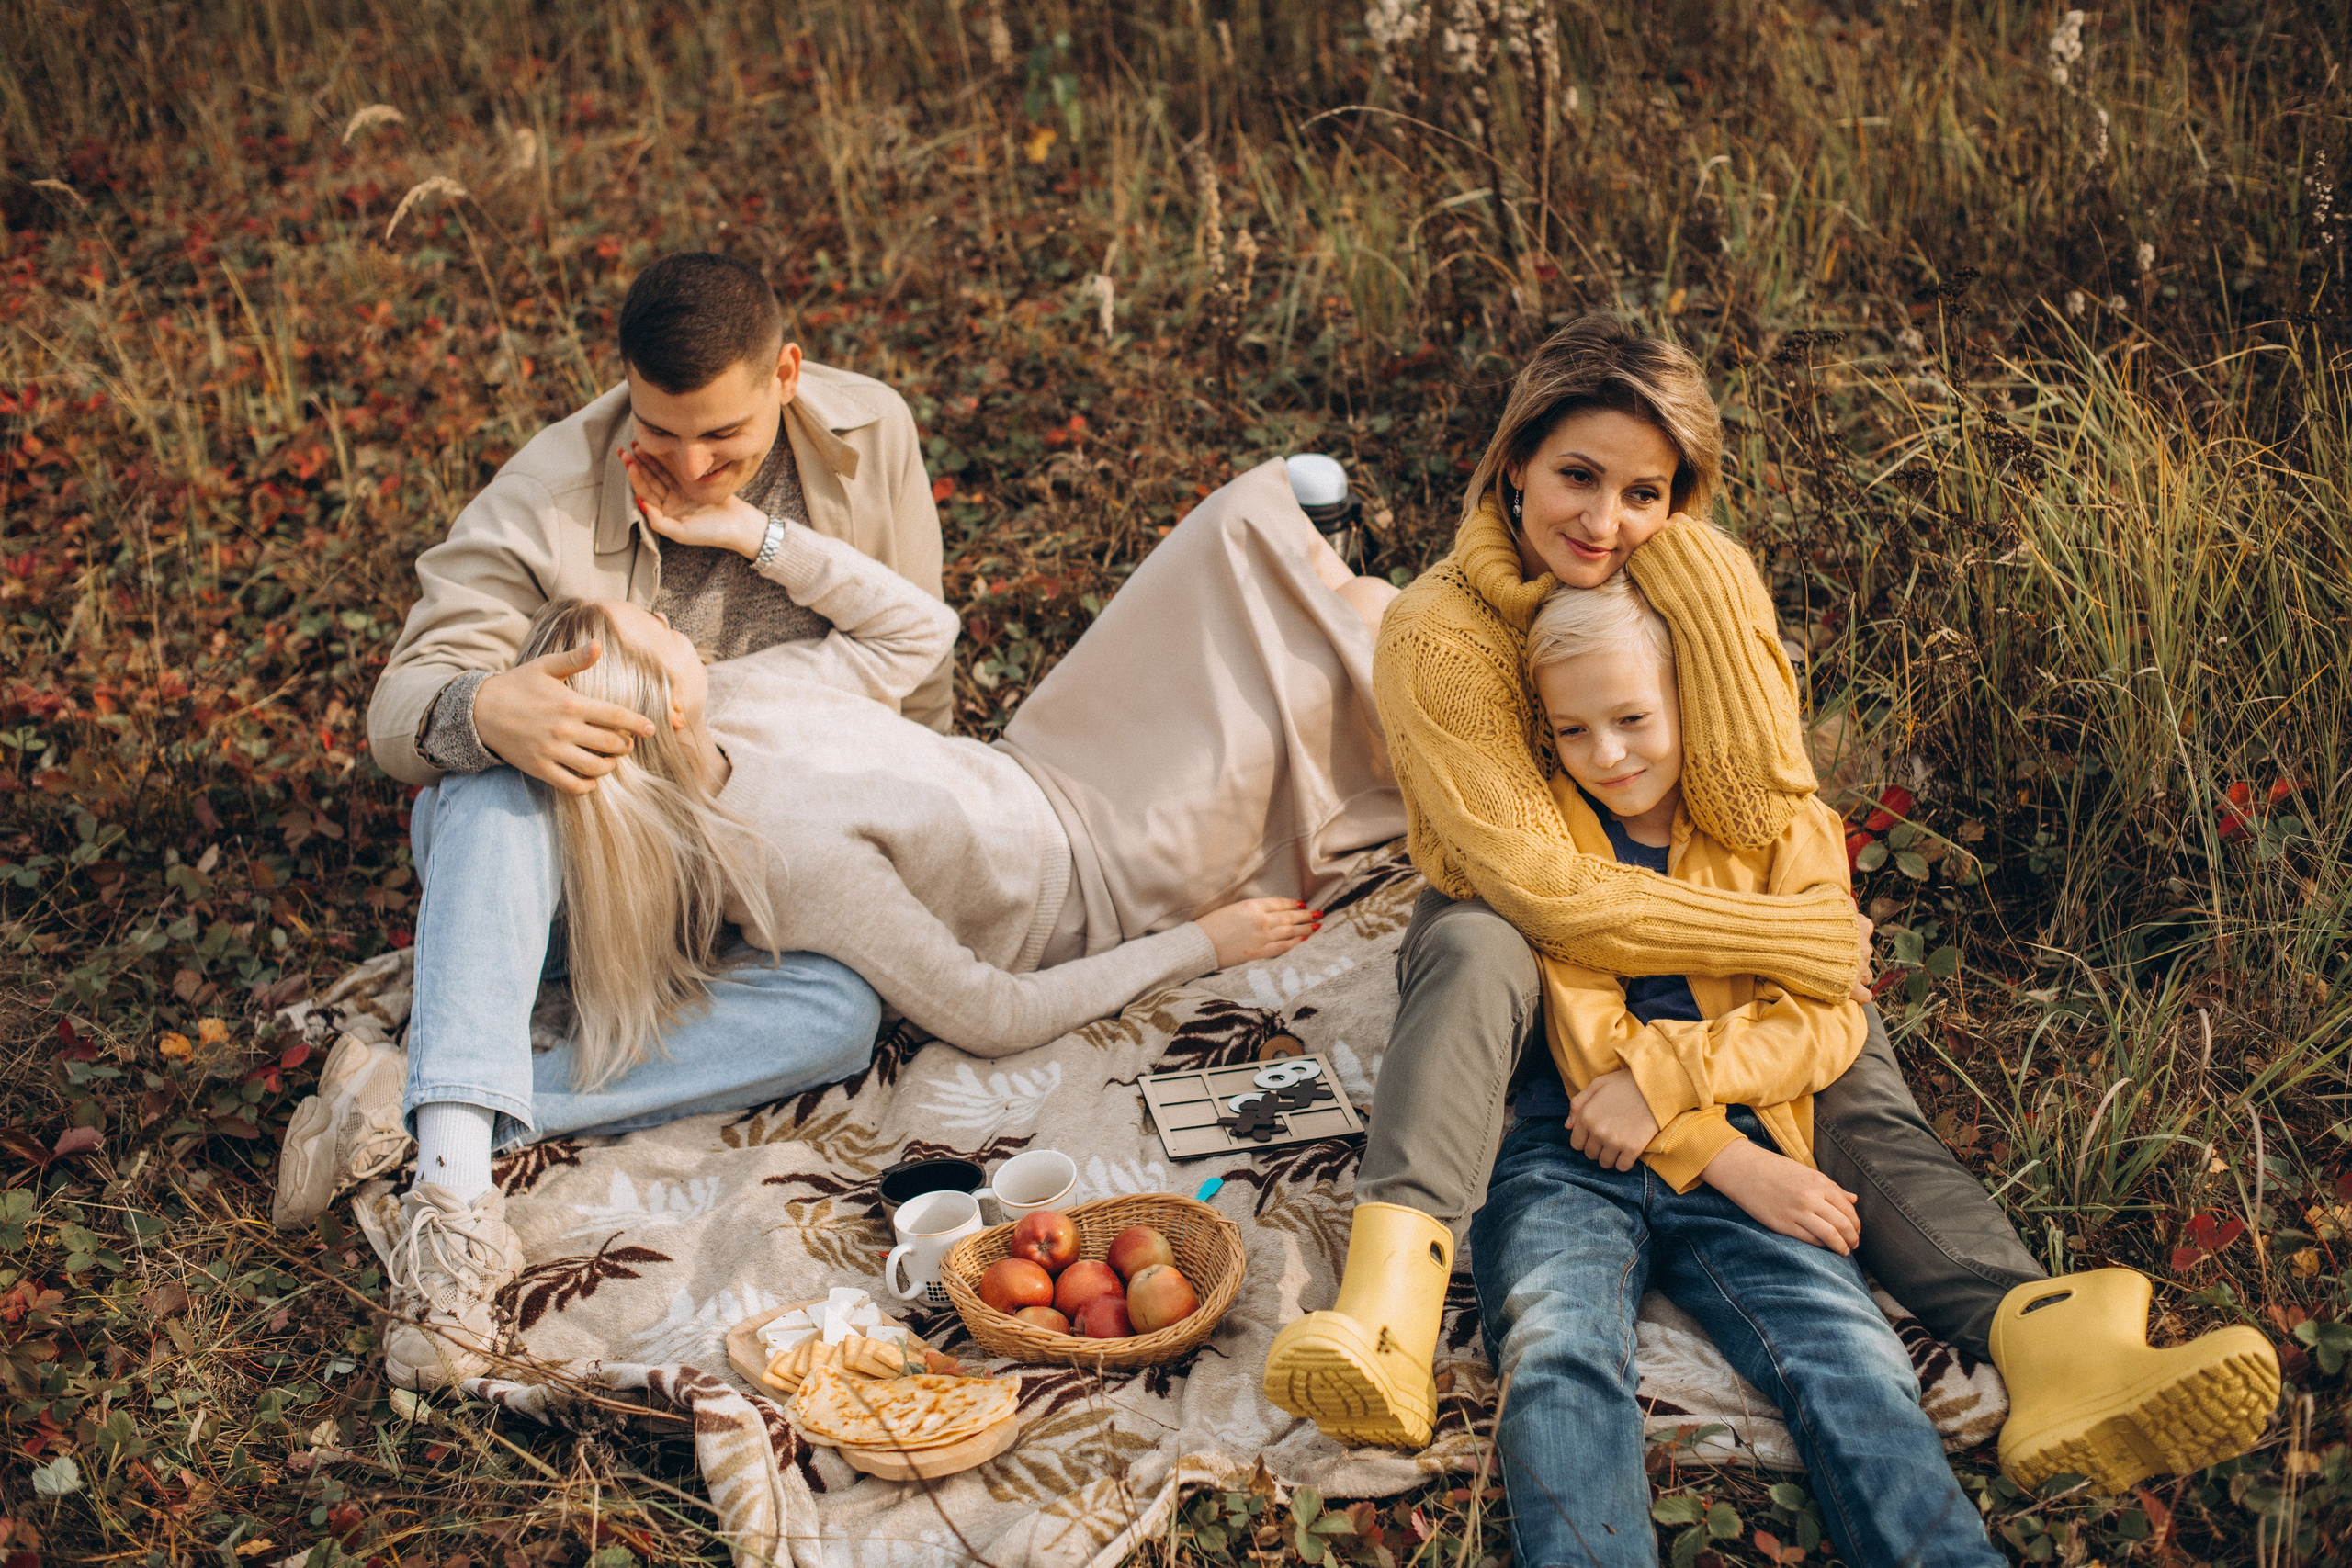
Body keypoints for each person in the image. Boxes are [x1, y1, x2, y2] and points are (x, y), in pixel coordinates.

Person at [1262, 315, 2278, 1497]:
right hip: (1531, 920)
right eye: (1576, 478)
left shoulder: (1695, 566)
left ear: (1682, 498)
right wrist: (1788, 941)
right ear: (1513, 466)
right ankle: (1385, 1311)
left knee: (1845, 1080)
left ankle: (2054, 1343)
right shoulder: (1440, 631)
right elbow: (1553, 894)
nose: (1605, 524)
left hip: (1701, 895)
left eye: (1647, 493)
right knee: (1482, 945)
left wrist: (1711, 600)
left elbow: (1763, 806)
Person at [286, 446, 1405, 1389]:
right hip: (1110, 858)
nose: (656, 604)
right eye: (640, 625)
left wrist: (746, 531)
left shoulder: (747, 691)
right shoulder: (793, 859)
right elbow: (993, 1011)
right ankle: (451, 1119)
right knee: (1376, 641)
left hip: (1051, 748)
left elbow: (917, 633)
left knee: (1241, 529)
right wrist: (1200, 944)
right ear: (662, 703)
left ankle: (436, 1095)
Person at [1473, 575, 2007, 1566]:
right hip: (1572, 1136)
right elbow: (1585, 1026)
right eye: (1574, 731)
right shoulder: (1550, 832)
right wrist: (1719, 1156)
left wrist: (1690, 1110)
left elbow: (1822, 1019)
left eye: (1632, 718)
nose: (1608, 755)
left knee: (1851, 1360)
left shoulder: (1778, 821)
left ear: (1687, 697)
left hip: (1752, 1134)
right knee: (1555, 1344)